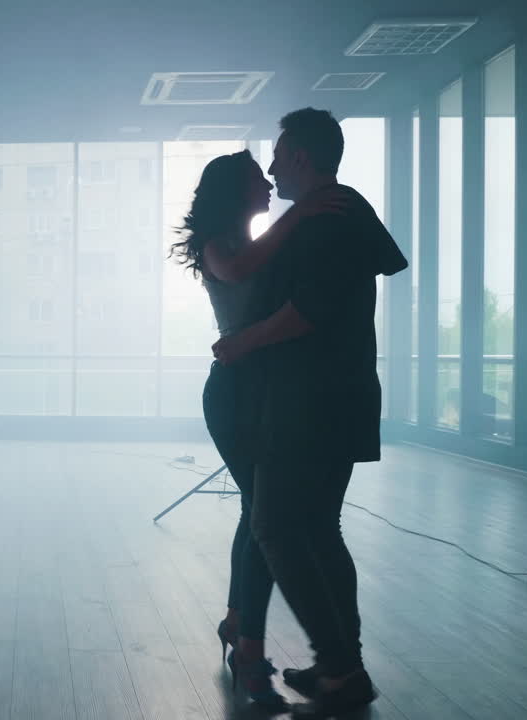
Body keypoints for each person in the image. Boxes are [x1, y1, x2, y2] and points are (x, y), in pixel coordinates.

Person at [212, 108, 407, 719]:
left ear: (300, 155)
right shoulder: (338, 211)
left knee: (275, 527)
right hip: (337, 396)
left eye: (276, 155)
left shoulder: (329, 216)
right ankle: (336, 666)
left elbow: (309, 310)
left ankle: (340, 666)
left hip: (306, 401)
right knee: (320, 530)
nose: (271, 167)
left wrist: (242, 344)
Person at [170, 149, 349, 712]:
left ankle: (237, 624)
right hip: (234, 392)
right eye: (257, 179)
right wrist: (302, 212)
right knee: (260, 513)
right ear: (234, 191)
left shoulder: (265, 239)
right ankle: (247, 649)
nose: (269, 182)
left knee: (258, 514)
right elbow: (239, 273)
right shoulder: (218, 245)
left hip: (269, 391)